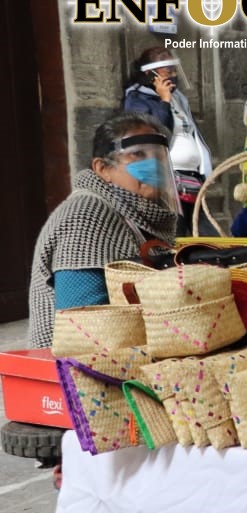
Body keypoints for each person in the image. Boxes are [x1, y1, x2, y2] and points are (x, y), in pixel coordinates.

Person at [28, 112, 179, 348]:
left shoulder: (144, 213)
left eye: (157, 154)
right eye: (137, 154)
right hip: (80, 366)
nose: (154, 163)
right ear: (102, 168)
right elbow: (83, 325)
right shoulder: (85, 215)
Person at [123, 47, 213, 235]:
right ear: (150, 73)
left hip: (191, 179)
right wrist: (164, 101)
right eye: (168, 71)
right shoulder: (137, 98)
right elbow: (155, 135)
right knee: (175, 235)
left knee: (205, 234)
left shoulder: (179, 98)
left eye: (174, 71)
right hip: (167, 182)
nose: (173, 76)